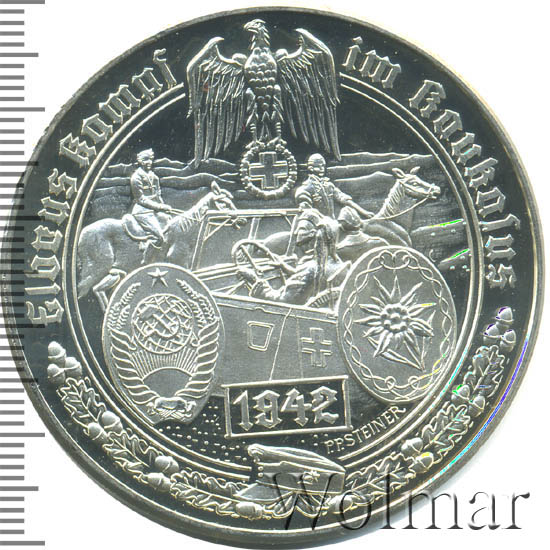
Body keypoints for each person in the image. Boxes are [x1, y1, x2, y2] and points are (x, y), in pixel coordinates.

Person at [237, 209, 350, 306]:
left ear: (312, 238)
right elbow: (307, 281)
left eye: (301, 230)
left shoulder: (310, 269)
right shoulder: (336, 264)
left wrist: (256, 281)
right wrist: (283, 266)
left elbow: (282, 301)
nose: (296, 233)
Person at [295, 153, 372, 220]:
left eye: (323, 166)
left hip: (331, 224)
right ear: (310, 168)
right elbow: (307, 213)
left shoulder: (328, 185)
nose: (322, 169)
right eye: (318, 166)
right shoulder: (304, 190)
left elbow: (344, 199)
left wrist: (364, 212)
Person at [130, 149, 172, 259]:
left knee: (170, 227)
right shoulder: (135, 177)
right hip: (142, 212)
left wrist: (164, 209)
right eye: (145, 160)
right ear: (140, 161)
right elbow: (141, 199)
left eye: (150, 159)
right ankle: (146, 260)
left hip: (154, 211)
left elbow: (158, 196)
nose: (149, 162)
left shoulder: (154, 177)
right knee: (159, 237)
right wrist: (160, 207)